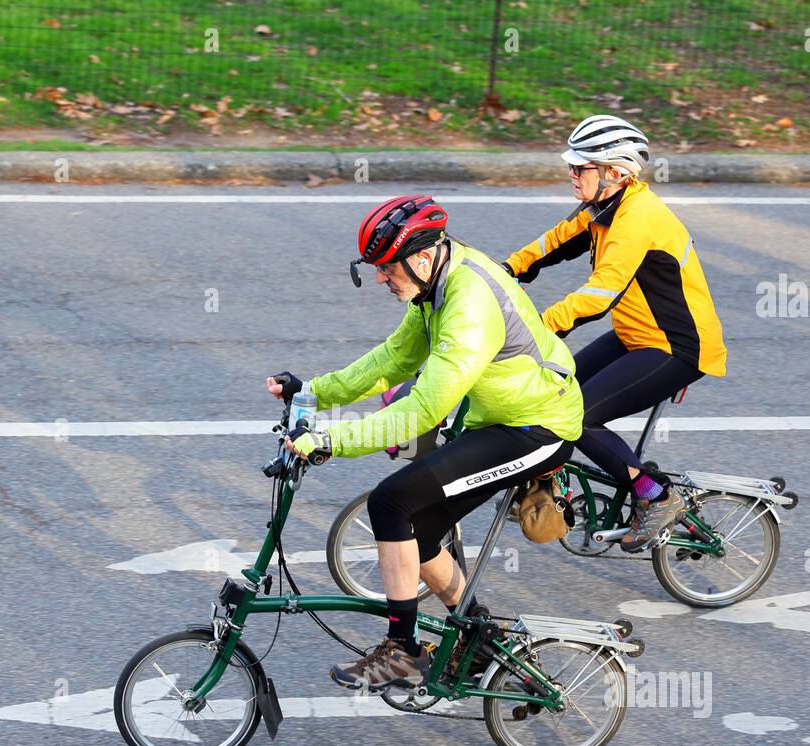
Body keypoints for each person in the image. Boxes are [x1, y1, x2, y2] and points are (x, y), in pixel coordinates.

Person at [267, 195, 584, 691]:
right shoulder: (435, 284)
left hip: (538, 428)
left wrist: (329, 439)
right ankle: (478, 641)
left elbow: (421, 412)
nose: (379, 278)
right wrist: (315, 390)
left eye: (386, 267)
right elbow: (393, 360)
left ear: (420, 257)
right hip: (498, 419)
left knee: (392, 502)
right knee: (422, 530)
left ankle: (403, 652)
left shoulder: (469, 304)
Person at [502, 114, 727, 551]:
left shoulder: (637, 218)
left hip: (676, 347)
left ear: (615, 173)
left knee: (579, 415)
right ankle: (550, 480)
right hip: (635, 335)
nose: (571, 175)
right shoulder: (604, 208)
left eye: (580, 167)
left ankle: (655, 495)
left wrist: (539, 328)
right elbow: (552, 244)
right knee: (551, 391)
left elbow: (598, 295)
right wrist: (500, 273)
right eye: (572, 166)